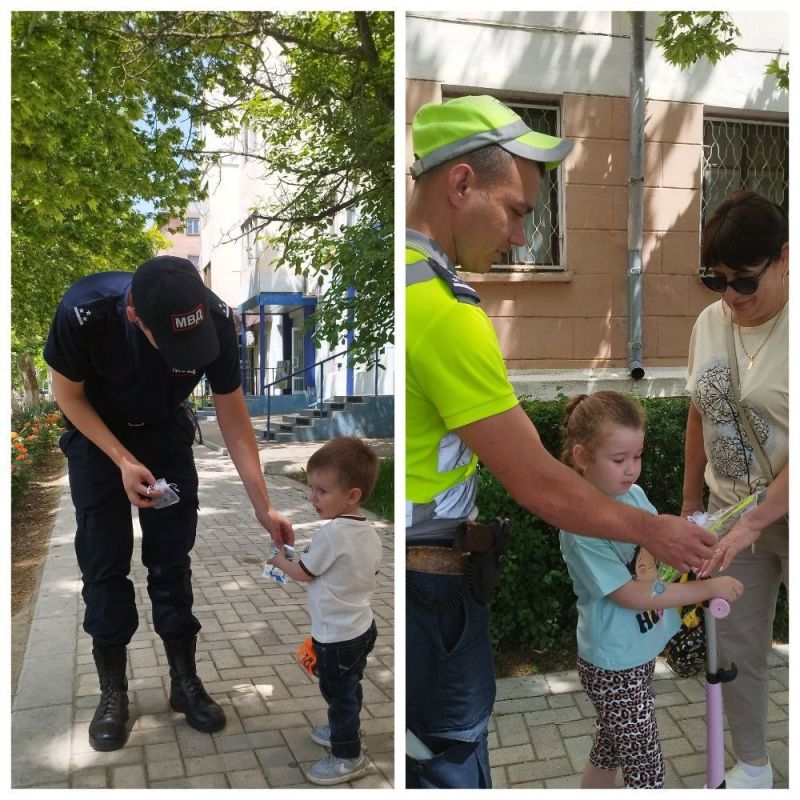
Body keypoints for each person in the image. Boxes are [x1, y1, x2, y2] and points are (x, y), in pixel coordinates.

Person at [405, 94, 717, 789]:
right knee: (448, 759)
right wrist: (656, 533)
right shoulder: (440, 310)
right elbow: (540, 483)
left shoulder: (416, 288)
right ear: (461, 184)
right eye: (517, 211)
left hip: (422, 575)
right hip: (430, 585)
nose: (521, 236)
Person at [44, 255, 294, 751]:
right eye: (175, 342)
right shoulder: (84, 312)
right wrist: (119, 458)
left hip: (166, 436)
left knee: (171, 562)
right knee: (103, 565)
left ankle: (184, 681)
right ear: (136, 318)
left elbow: (234, 418)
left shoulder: (217, 320)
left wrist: (264, 507)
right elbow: (67, 396)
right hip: (99, 442)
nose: (188, 353)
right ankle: (113, 692)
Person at [558, 391, 743, 789]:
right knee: (647, 772)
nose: (632, 470)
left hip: (636, 653)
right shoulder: (579, 524)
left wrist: (681, 548)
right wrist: (707, 588)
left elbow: (652, 536)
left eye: (637, 457)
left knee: (608, 748)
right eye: (619, 460)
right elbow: (630, 595)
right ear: (582, 457)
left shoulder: (633, 495)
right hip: (613, 665)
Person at [683, 191, 788, 789]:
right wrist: (692, 507)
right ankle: (753, 766)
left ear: (783, 258)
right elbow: (700, 411)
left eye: (743, 281)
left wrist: (757, 520)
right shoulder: (709, 323)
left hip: (784, 514)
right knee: (737, 648)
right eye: (713, 280)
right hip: (731, 513)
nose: (729, 296)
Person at [268, 436, 383, 785]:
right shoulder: (370, 532)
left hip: (337, 636)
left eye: (321, 491)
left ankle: (348, 755)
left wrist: (279, 561)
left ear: (352, 496)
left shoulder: (332, 534)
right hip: (362, 628)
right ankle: (344, 729)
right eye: (311, 487)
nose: (312, 497)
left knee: (338, 693)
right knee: (349, 686)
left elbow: (303, 572)